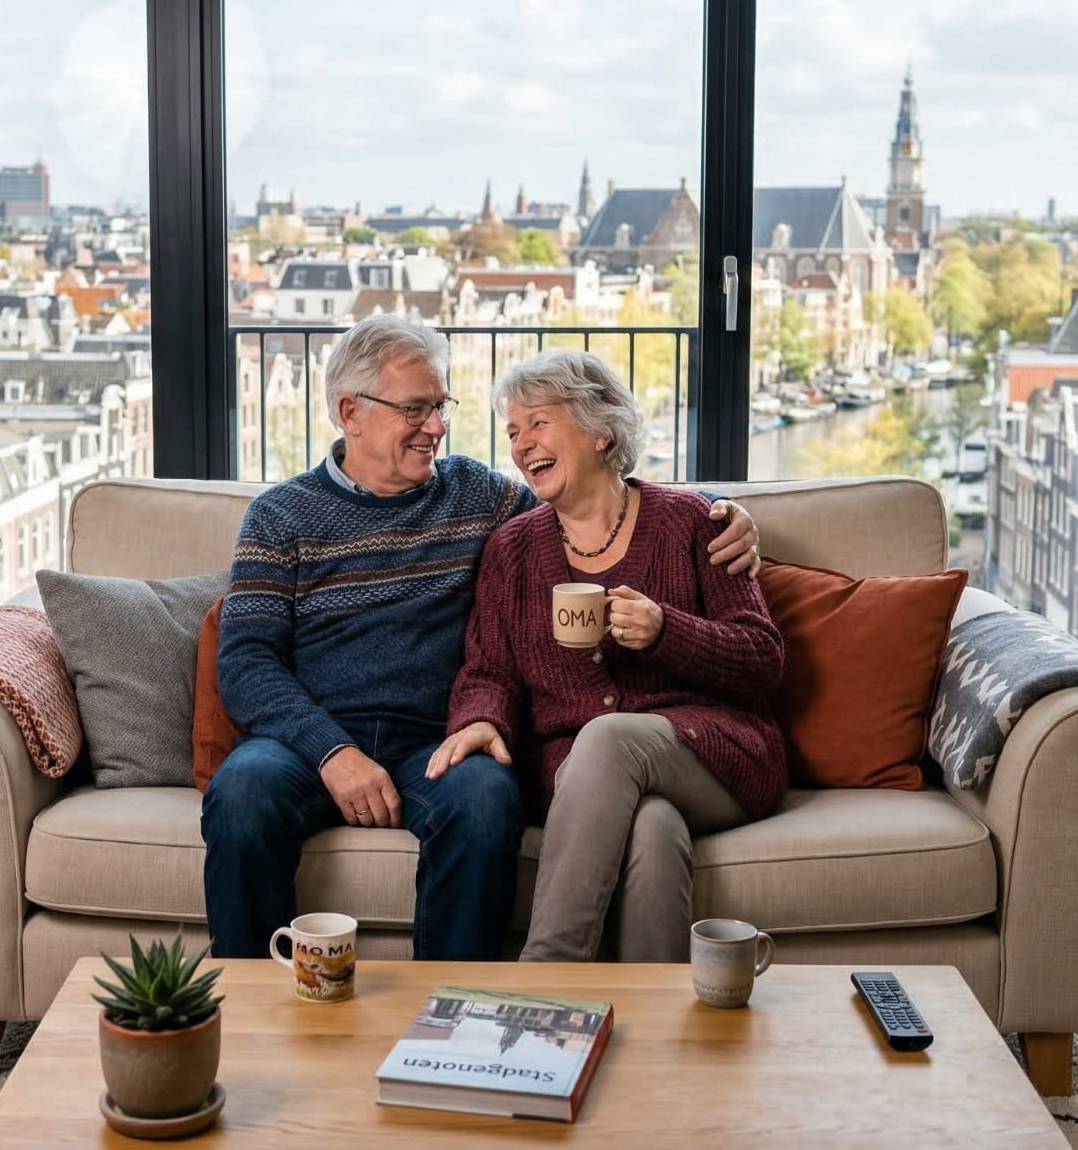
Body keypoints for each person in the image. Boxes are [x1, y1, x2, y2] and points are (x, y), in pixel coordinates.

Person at [201, 315, 762, 960]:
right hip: (308, 742)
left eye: (440, 407)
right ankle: (247, 1015)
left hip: (436, 739)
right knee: (241, 795)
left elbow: (596, 503)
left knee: (486, 799)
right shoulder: (280, 515)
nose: (436, 427)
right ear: (349, 412)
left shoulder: (482, 499)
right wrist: (333, 752)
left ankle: (452, 1020)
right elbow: (246, 662)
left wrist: (726, 510)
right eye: (415, 409)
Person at [430, 351, 787, 963]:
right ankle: (657, 1034)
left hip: (713, 754)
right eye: (512, 432)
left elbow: (763, 660)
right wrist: (481, 720)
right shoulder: (512, 549)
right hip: (576, 776)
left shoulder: (697, 524)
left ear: (599, 430)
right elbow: (487, 671)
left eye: (538, 423)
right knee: (653, 828)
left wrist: (666, 632)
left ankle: (545, 976)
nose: (521, 445)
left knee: (609, 737)